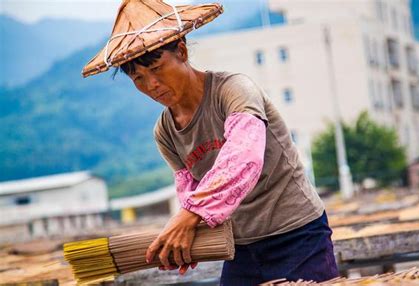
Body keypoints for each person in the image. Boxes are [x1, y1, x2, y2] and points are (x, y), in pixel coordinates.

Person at [83, 1, 338, 284]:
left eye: (156, 68)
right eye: (139, 78)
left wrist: (190, 215)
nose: (151, 85)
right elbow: (189, 190)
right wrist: (187, 236)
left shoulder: (233, 90)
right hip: (239, 247)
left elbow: (244, 157)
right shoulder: (165, 132)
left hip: (297, 234)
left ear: (181, 51)